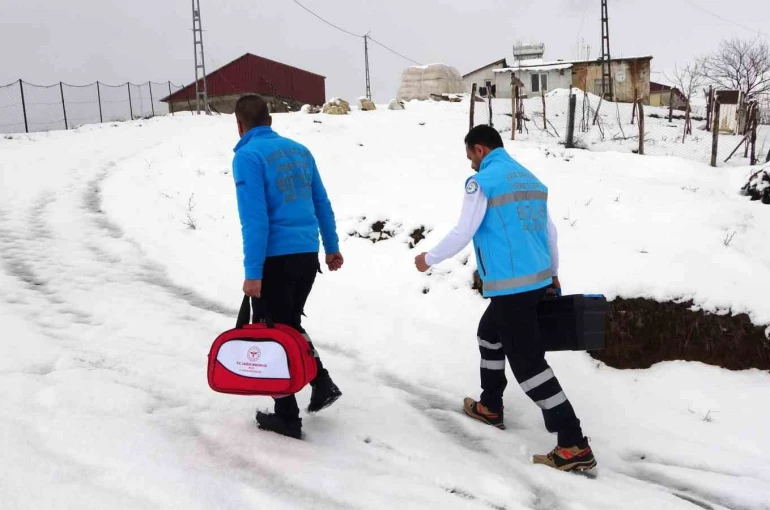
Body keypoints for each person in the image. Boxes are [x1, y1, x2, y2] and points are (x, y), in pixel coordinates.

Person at [414, 125, 596, 472]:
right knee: (489, 335)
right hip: (535, 280)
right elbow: (550, 232)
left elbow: (464, 230)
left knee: (529, 367)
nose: (471, 164)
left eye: (470, 157)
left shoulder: (483, 181)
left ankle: (573, 443)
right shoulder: (529, 179)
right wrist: (553, 273)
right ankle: (490, 406)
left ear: (480, 149)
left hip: (512, 288)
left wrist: (429, 258)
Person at [232, 94, 344, 439]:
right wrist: (331, 247)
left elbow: (255, 220)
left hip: (275, 258)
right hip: (306, 254)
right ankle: (321, 382)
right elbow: (321, 202)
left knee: (270, 332)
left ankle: (287, 416)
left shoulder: (247, 157)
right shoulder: (300, 151)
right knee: (288, 323)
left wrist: (253, 273)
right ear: (270, 120)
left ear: (239, 125)